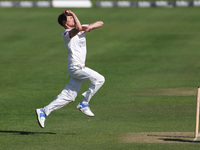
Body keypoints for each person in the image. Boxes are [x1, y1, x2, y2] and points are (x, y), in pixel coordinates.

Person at [36, 10, 105, 128]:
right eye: (70, 18)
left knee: (69, 96)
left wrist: (88, 27)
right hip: (76, 67)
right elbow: (77, 29)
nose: (72, 19)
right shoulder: (67, 34)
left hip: (77, 68)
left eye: (73, 18)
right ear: (65, 23)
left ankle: (44, 111)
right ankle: (84, 103)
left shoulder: (80, 28)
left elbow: (101, 23)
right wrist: (75, 15)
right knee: (99, 79)